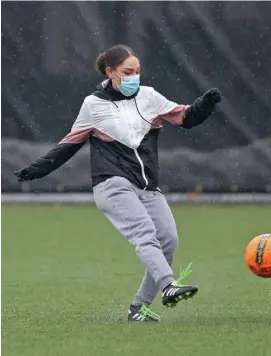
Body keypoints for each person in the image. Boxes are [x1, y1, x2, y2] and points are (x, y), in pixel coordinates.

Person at [14, 44, 222, 322]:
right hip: (111, 183)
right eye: (128, 72)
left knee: (168, 240)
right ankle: (168, 285)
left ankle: (138, 308)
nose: (135, 76)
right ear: (111, 72)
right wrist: (35, 170)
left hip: (146, 185)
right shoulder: (93, 105)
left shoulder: (149, 96)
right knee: (145, 232)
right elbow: (68, 145)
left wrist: (204, 105)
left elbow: (185, 117)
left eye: (137, 71)